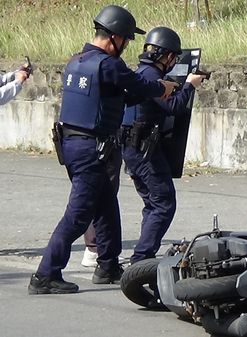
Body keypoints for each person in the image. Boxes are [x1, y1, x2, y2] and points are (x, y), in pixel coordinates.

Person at [28, 5, 179, 295]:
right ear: (115, 37)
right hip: (89, 148)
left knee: (106, 207)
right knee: (79, 213)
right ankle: (45, 274)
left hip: (73, 145)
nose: (126, 46)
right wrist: (163, 88)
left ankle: (108, 265)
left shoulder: (77, 61)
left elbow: (117, 97)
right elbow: (137, 85)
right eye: (126, 40)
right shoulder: (108, 64)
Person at [122, 26, 205, 265]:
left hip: (134, 146)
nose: (173, 62)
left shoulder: (141, 72)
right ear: (166, 55)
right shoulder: (149, 77)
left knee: (152, 203)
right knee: (164, 202)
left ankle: (142, 255)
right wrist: (190, 85)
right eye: (173, 57)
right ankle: (142, 258)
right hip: (143, 148)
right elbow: (174, 107)